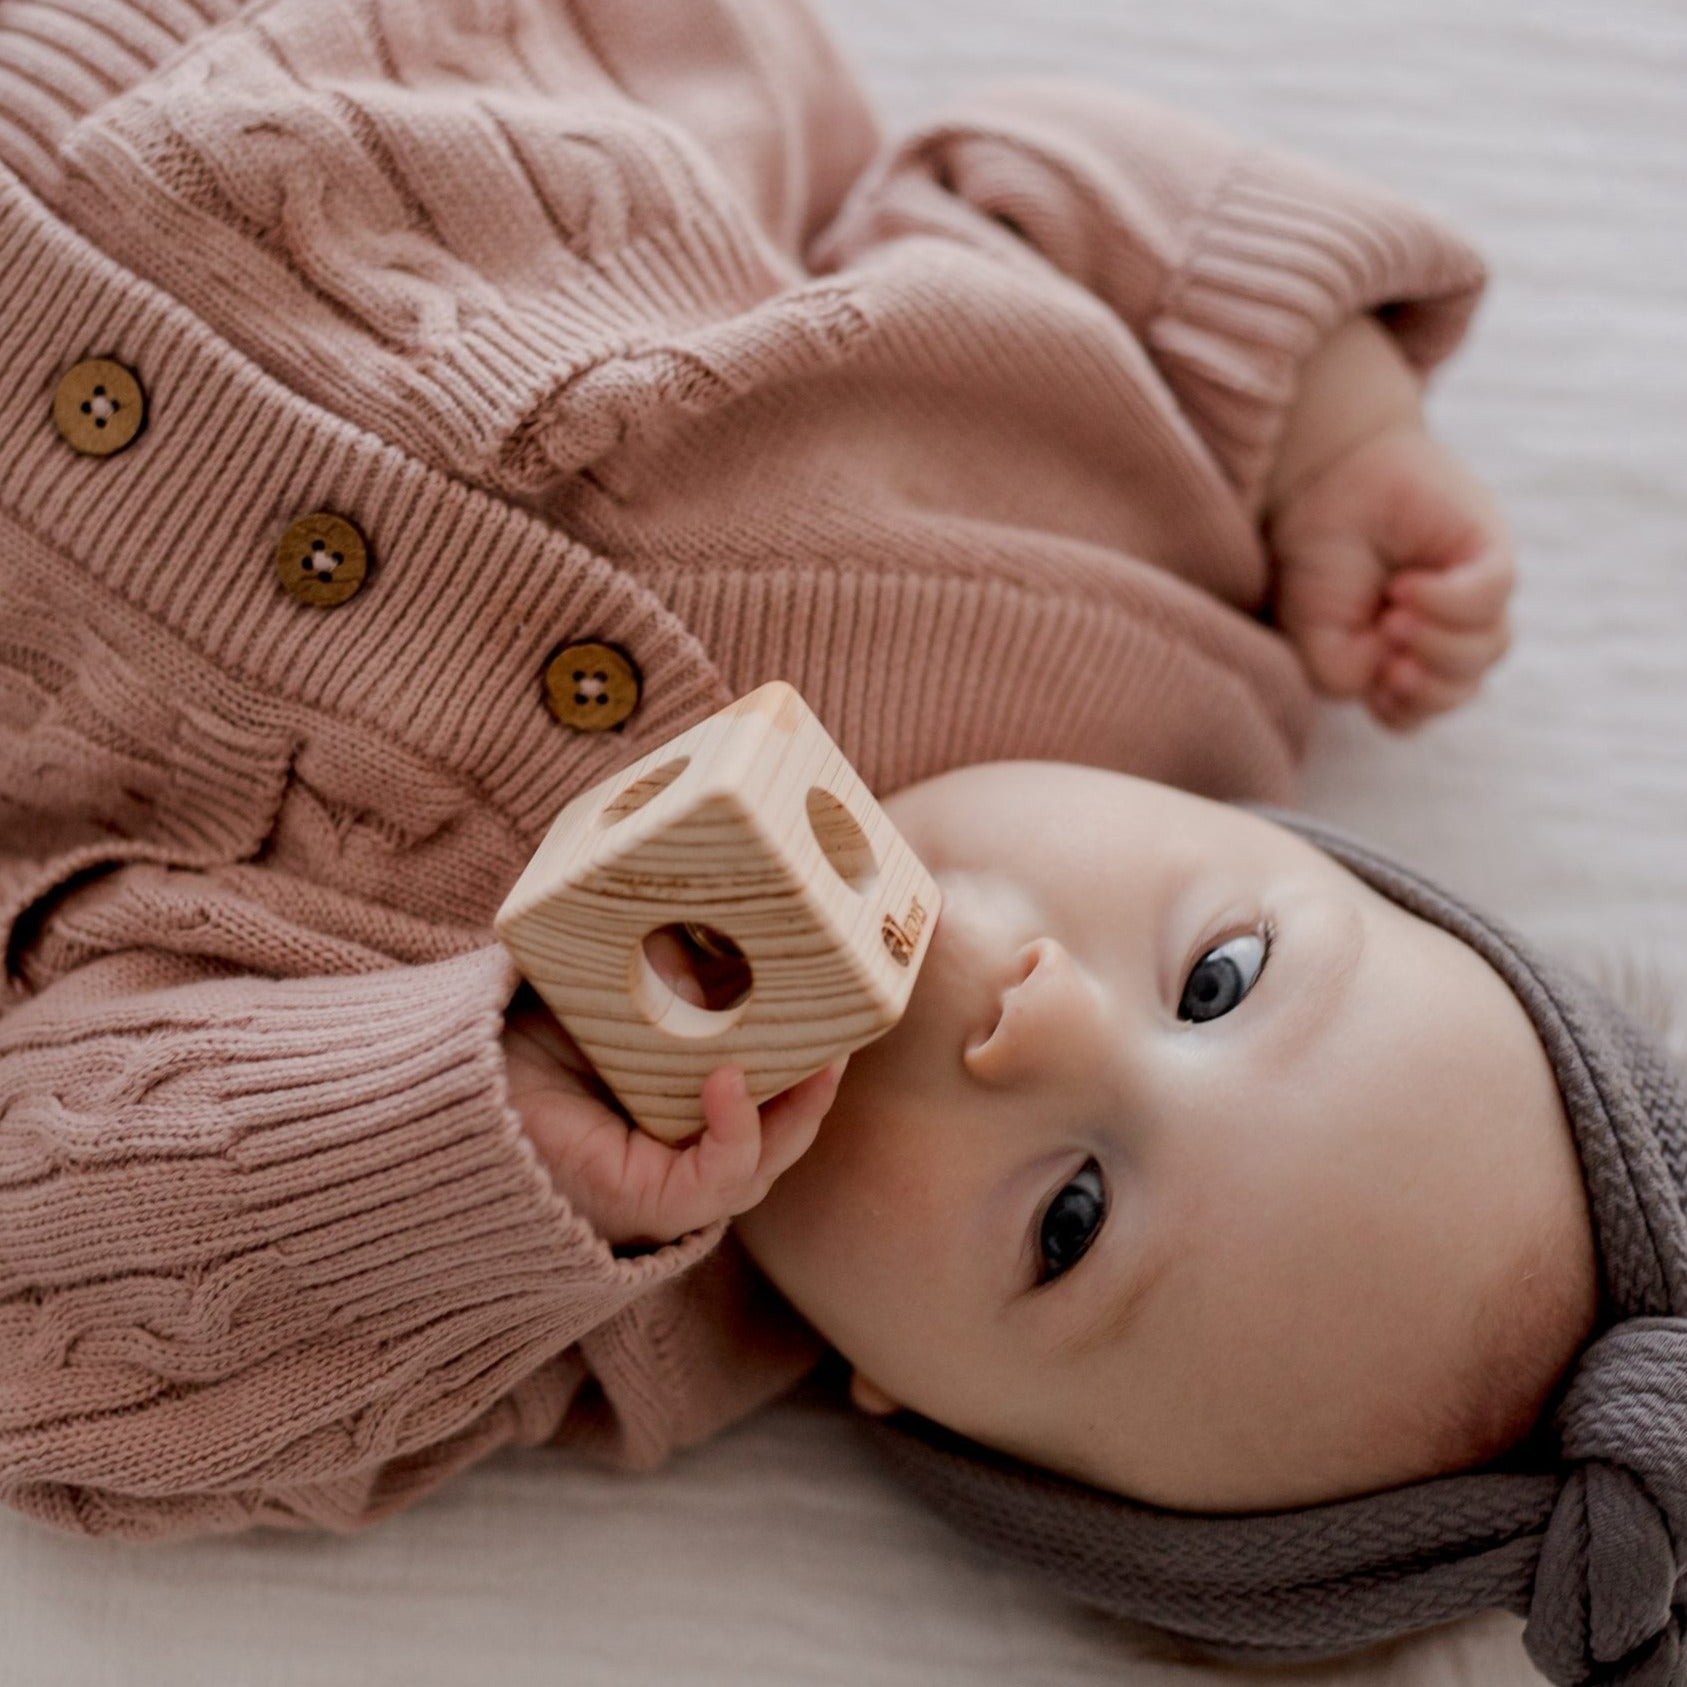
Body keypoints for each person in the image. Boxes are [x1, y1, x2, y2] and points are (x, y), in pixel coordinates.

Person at [4, 3, 1682, 1682]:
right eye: (1222, 976)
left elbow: (49, 1332)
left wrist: (460, 1135)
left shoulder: (575, 1297)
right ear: (1299, 845)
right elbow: (1014, 181)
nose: (1048, 1016)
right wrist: (1335, 431)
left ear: (918, 1404)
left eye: (1072, 1223)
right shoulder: (1137, 586)